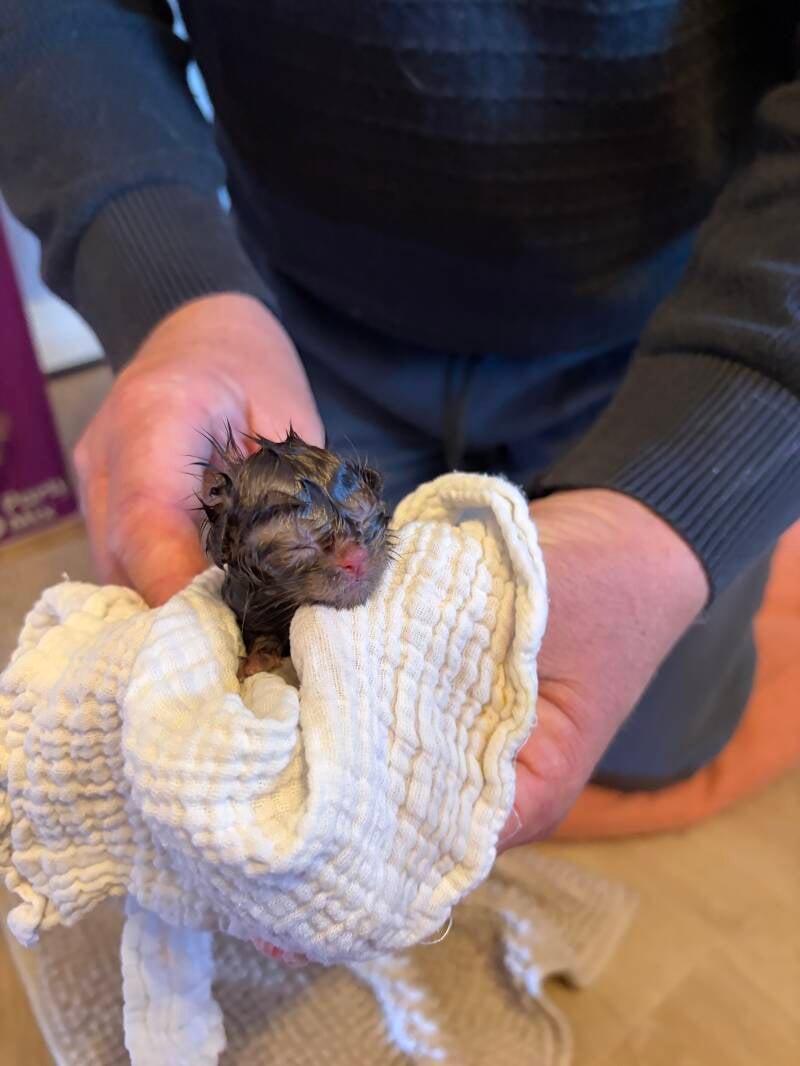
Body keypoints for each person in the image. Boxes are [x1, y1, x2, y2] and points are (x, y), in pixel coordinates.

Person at [1, 1, 798, 847]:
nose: (353, 557)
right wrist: (170, 288)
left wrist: (722, 441)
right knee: (301, 714)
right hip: (299, 325)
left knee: (653, 745)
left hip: (675, 328)